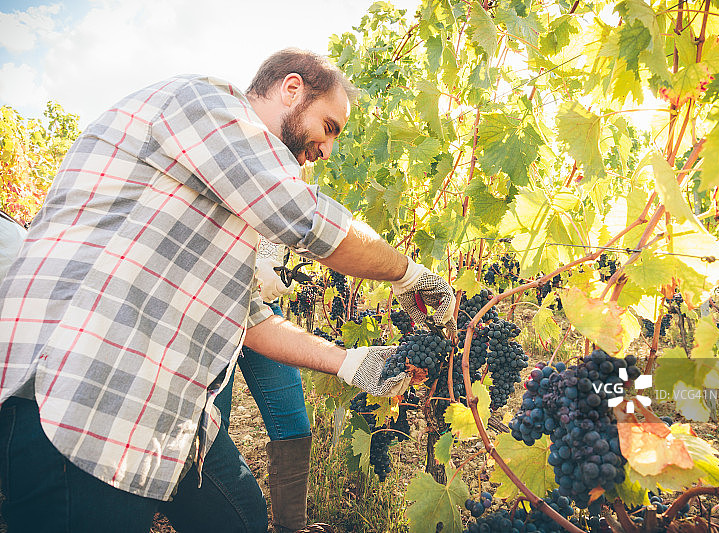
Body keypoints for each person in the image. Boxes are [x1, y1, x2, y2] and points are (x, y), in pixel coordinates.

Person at [0, 48, 456, 533]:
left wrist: (349, 362)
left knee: (241, 517)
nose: (327, 150)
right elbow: (303, 216)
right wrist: (408, 275)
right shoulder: (203, 103)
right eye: (329, 127)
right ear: (292, 88)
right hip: (86, 397)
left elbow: (247, 316)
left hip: (164, 412)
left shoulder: (223, 192)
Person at [214, 239, 323, 533]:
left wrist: (271, 270)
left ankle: (291, 527)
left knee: (293, 420)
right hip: (215, 306)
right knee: (214, 427)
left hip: (262, 309)